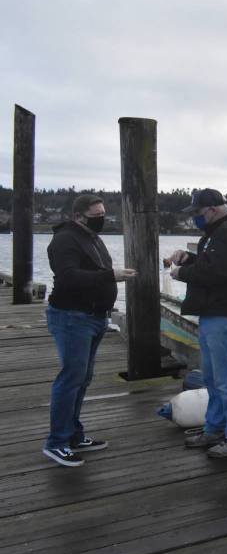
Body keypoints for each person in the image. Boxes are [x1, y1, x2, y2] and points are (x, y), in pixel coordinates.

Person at [43, 194, 136, 467]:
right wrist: (111, 276)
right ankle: (56, 442)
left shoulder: (91, 238)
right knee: (70, 378)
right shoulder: (65, 240)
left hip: (94, 317)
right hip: (72, 318)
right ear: (79, 216)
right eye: (96, 216)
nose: (102, 219)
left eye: (103, 214)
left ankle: (73, 434)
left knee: (82, 379)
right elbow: (69, 277)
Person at [166, 189, 227, 458]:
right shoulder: (215, 234)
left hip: (224, 316)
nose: (195, 218)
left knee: (226, 380)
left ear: (212, 210)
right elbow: (211, 263)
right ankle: (215, 427)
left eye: (197, 213)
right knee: (212, 378)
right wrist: (188, 258)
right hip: (213, 315)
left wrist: (181, 273)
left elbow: (217, 272)